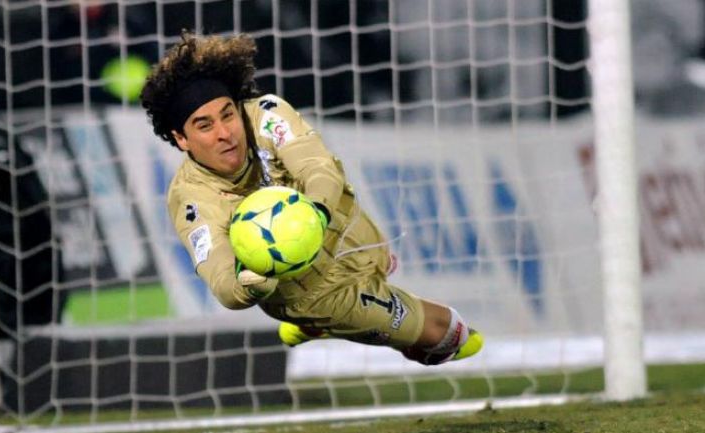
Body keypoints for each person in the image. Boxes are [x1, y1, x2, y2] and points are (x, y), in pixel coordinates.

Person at [140, 33, 483, 365]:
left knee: (382, 269)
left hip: (353, 234)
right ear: (181, 139)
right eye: (204, 126)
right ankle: (318, 322)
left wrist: (315, 214)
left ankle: (318, 325)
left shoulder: (266, 114)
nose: (224, 133)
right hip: (316, 297)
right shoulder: (190, 198)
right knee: (451, 337)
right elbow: (221, 280)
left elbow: (318, 169)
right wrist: (250, 283)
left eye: (227, 114)